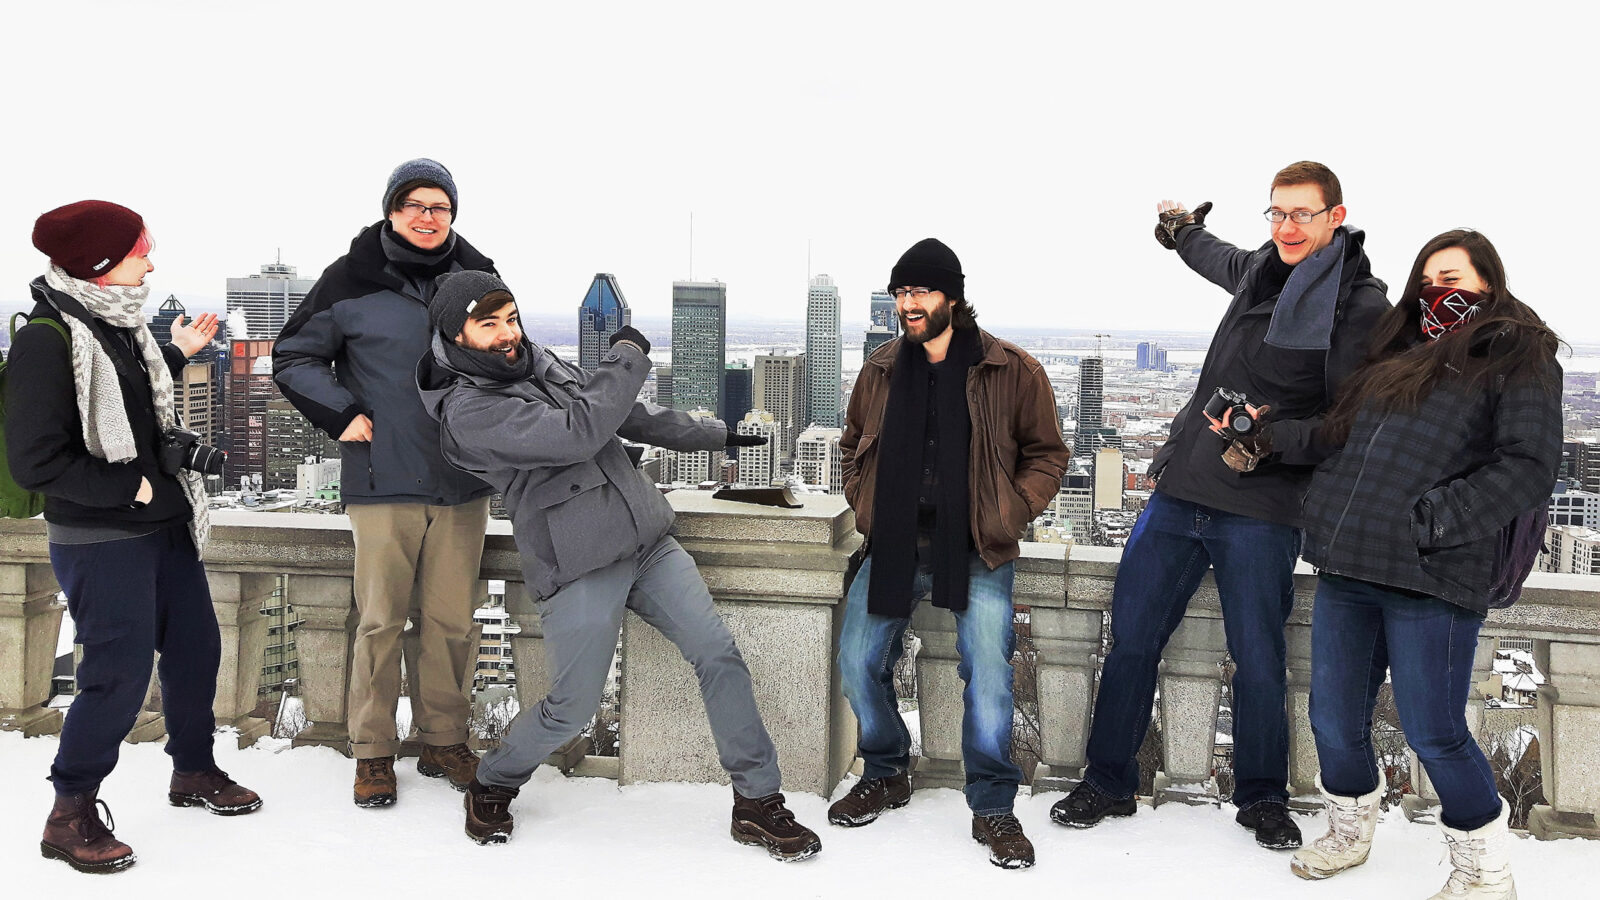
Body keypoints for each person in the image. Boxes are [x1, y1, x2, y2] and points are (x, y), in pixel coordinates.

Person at [416, 270, 821, 860]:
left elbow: (625, 413)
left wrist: (716, 436)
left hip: (647, 540)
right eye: (490, 324)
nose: (508, 334)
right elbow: (579, 432)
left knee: (719, 656)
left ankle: (757, 801)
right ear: (456, 335)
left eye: (512, 318)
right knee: (571, 708)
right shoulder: (469, 410)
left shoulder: (538, 361)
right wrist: (627, 353)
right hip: (579, 562)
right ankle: (494, 779)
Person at [1051, 162, 1390, 850]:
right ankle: (1108, 781)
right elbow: (1219, 257)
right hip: (1184, 488)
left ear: (1336, 216)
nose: (1286, 227)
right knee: (1131, 640)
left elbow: (1350, 420)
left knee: (1259, 658)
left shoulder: (1358, 308)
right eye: (1277, 212)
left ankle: (1262, 797)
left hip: (1264, 503)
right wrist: (1182, 232)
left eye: (1301, 214)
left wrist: (1273, 439)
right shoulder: (1263, 267)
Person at [1290, 230, 1559, 897]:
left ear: (1488, 284)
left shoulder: (1518, 356)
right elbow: (1337, 437)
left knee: (1434, 730)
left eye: (1454, 280)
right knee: (1332, 718)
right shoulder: (1397, 352)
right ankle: (1350, 829)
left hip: (1434, 575)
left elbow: (1529, 466)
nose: (1439, 292)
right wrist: (1266, 438)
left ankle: (1483, 869)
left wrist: (1432, 521)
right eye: (1429, 280)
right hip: (1350, 563)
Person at [8, 200, 260, 874]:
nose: (149, 261)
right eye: (138, 249)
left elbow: (126, 398)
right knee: (116, 677)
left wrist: (177, 353)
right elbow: (35, 461)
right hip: (101, 537)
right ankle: (69, 813)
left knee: (196, 652)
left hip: (164, 526)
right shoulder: (47, 338)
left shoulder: (117, 325)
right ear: (98, 262)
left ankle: (193, 769)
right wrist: (132, 487)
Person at [831, 238, 1070, 869]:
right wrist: (863, 501)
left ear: (953, 298)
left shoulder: (1012, 370)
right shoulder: (882, 367)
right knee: (856, 661)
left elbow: (1049, 454)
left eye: (920, 291)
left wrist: (1008, 512)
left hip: (976, 546)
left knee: (988, 673)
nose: (907, 304)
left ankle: (993, 806)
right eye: (900, 293)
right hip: (893, 542)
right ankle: (886, 769)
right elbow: (853, 444)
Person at [274, 159, 496, 807]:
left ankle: (444, 739)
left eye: (439, 207)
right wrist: (342, 413)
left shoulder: (478, 276)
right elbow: (293, 356)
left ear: (453, 214)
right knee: (380, 622)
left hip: (462, 477)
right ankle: (372, 750)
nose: (428, 217)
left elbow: (508, 350)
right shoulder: (350, 279)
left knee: (452, 622)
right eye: (414, 205)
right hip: (383, 477)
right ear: (392, 211)